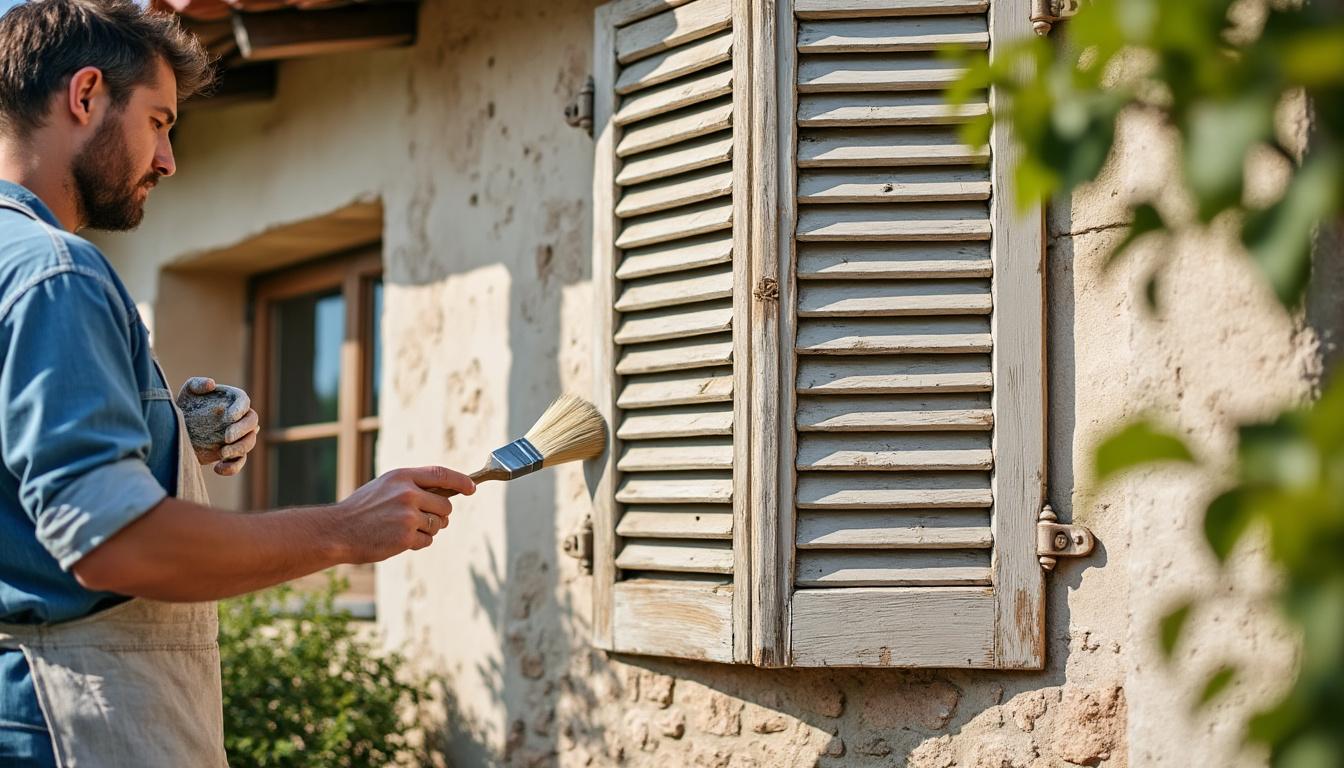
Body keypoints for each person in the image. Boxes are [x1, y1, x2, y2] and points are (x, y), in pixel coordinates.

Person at [0, 1, 475, 765]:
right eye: (159, 121)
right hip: (71, 726)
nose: (168, 159)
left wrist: (162, 431)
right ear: (85, 96)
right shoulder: (58, 271)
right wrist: (345, 528)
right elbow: (112, 543)